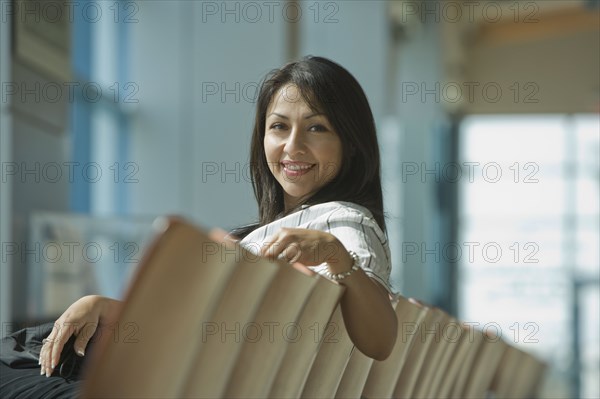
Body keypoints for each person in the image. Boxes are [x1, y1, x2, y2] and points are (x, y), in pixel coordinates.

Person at [1, 55, 398, 397]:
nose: (292, 146)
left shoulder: (343, 222)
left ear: (351, 141)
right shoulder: (288, 226)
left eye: (317, 128)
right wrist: (110, 309)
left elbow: (380, 340)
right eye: (279, 127)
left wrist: (336, 254)